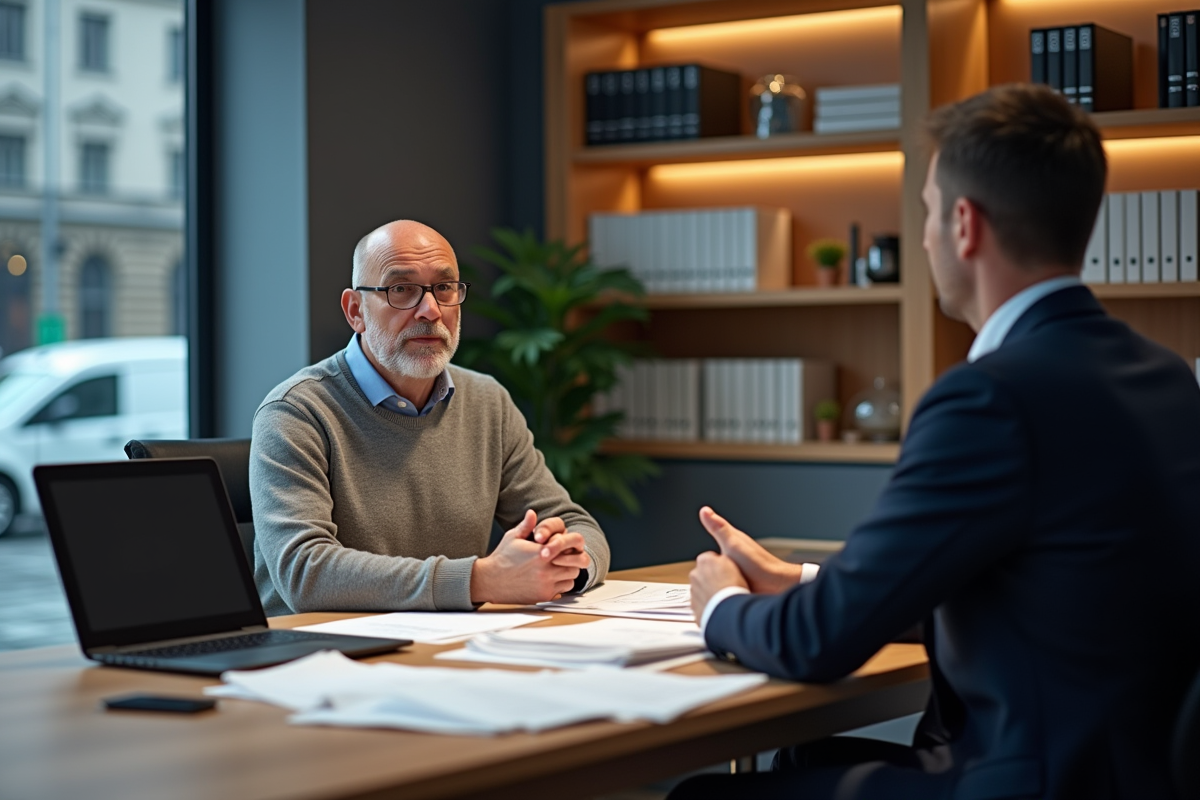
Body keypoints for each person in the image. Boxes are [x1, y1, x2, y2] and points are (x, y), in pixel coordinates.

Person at [674, 84, 1200, 799]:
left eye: (924, 212)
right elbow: (1037, 583)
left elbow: (821, 644)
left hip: (1027, 779)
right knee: (802, 761)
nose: (921, 237)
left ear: (963, 224)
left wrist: (720, 607)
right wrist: (798, 578)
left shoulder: (989, 397)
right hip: (1134, 773)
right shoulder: (1164, 376)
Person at [250, 219, 609, 615]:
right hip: (317, 657)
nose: (430, 310)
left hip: (446, 647)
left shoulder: (487, 401)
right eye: (401, 289)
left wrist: (564, 563)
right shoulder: (296, 412)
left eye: (444, 288)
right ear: (356, 311)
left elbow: (575, 522)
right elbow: (305, 573)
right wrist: (481, 579)